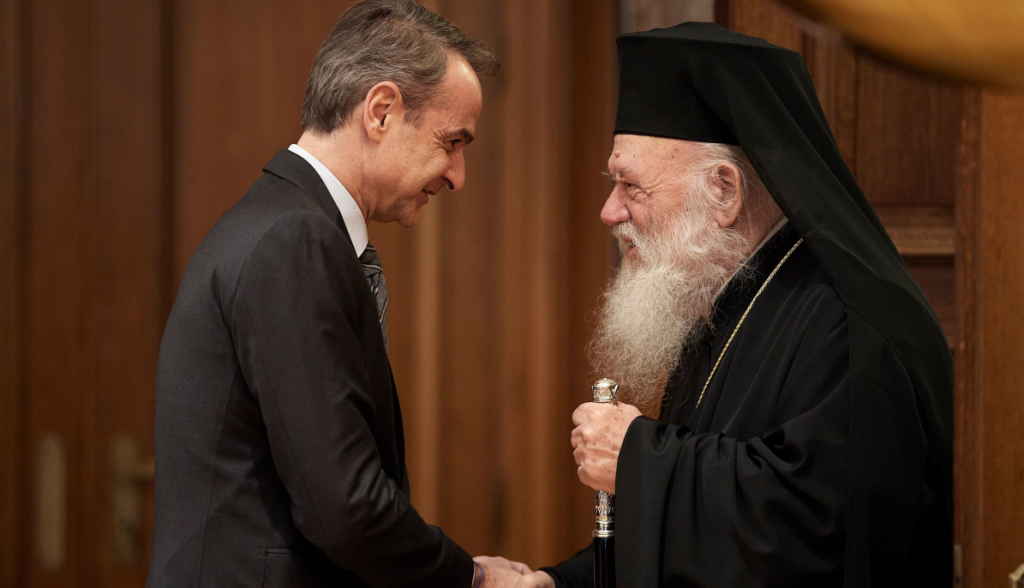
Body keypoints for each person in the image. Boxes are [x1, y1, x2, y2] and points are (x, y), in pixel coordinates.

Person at [508, 22, 953, 587]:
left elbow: (815, 536)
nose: (608, 211)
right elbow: (692, 545)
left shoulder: (849, 325)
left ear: (724, 191)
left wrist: (639, 459)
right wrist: (557, 583)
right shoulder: (724, 301)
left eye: (631, 186)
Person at [145, 1, 523, 586]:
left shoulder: (280, 223)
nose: (458, 175)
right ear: (381, 111)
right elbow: (345, 509)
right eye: (452, 141)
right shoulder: (294, 240)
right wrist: (469, 578)